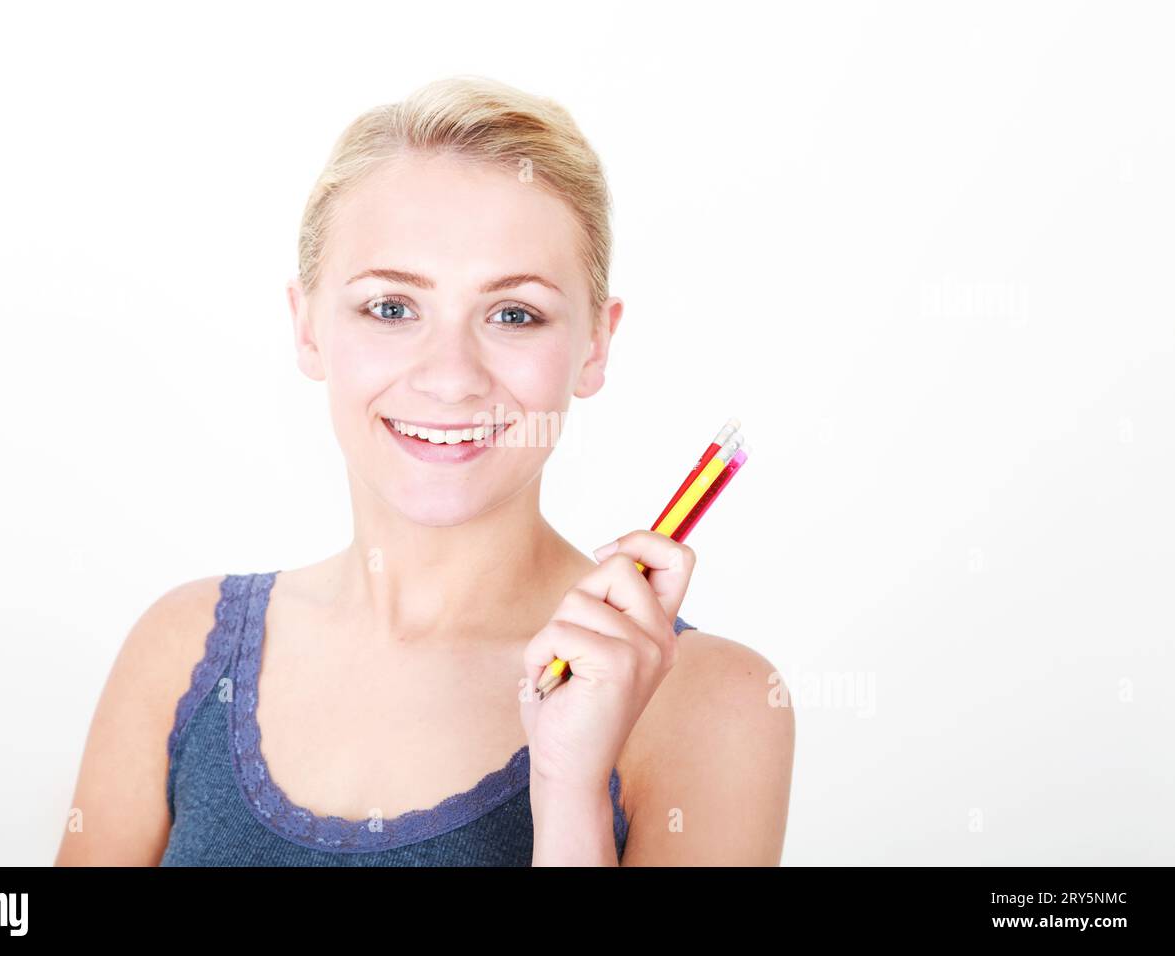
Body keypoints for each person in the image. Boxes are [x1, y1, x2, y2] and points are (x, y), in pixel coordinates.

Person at [55, 75, 794, 866]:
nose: (450, 376)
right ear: (306, 328)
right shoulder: (182, 651)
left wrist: (570, 788)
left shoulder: (711, 703)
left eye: (513, 315)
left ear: (595, 345)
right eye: (392, 308)